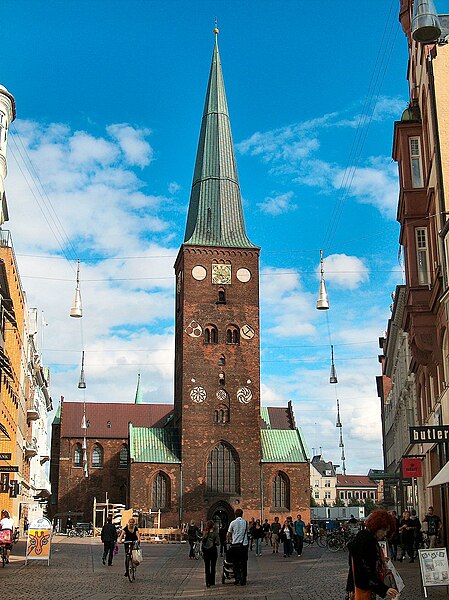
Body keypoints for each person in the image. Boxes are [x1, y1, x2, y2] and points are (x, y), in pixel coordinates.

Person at [346, 509, 399, 599]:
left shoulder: (364, 538)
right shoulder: (367, 541)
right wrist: (384, 589)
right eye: (384, 530)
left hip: (359, 586)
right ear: (376, 527)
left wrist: (379, 560)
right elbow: (365, 569)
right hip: (363, 588)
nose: (385, 534)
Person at [227, 508, 249, 586]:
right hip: (244, 545)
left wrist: (228, 540)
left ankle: (237, 578)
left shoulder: (233, 523)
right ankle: (244, 579)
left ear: (235, 515)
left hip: (235, 545)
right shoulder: (246, 522)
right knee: (243, 563)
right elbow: (247, 532)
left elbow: (228, 534)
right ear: (242, 514)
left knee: (235, 563)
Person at [202, 519, 220, 587]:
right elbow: (218, 543)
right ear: (213, 525)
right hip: (213, 551)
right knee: (213, 566)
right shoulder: (215, 533)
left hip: (206, 551)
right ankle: (212, 581)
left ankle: (207, 582)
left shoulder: (205, 532)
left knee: (207, 567)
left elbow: (202, 540)